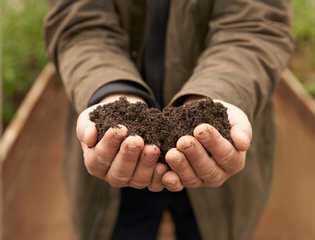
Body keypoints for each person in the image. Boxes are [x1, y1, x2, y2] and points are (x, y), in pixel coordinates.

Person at [44, 0, 293, 239]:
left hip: (213, 158)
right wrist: (110, 90)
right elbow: (80, 23)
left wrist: (214, 97)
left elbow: (254, 26)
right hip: (115, 161)